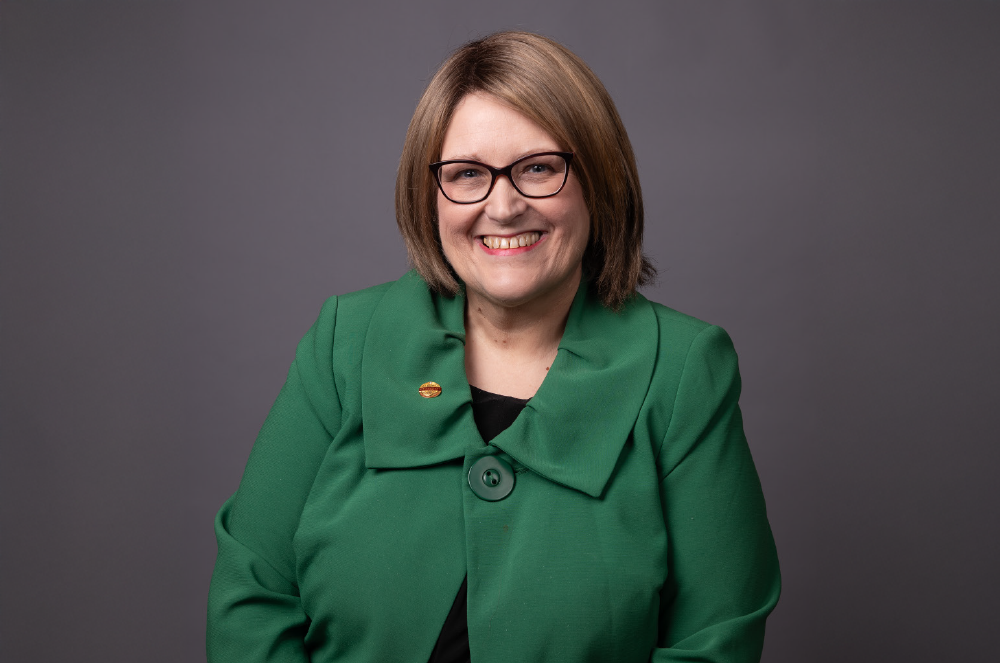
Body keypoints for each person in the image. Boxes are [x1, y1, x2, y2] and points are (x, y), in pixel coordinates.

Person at [207, 31, 780, 663]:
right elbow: (250, 601)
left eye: (538, 168)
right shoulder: (346, 342)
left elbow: (714, 643)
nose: (502, 206)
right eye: (468, 174)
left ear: (598, 179)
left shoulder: (682, 372)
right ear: (430, 195)